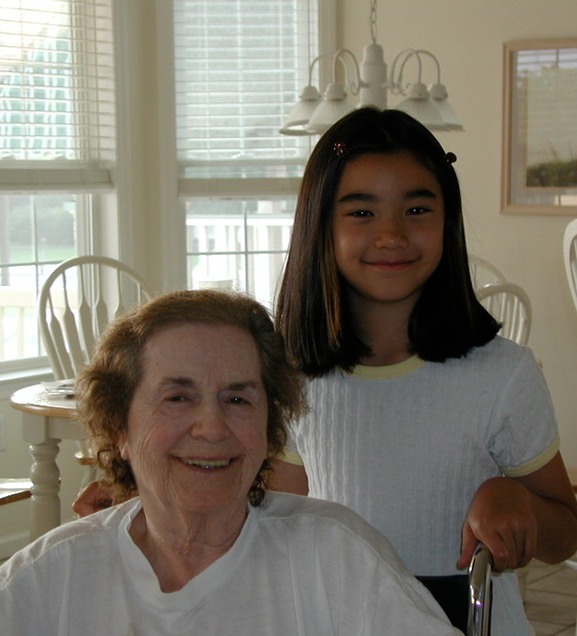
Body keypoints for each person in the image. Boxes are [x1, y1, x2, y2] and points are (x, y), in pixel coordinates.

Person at [270, 107, 577, 635]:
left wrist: (516, 499)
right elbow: (271, 520)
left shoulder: (502, 374)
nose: (391, 235)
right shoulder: (293, 378)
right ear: (320, 225)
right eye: (361, 213)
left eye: (416, 208)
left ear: (448, 221)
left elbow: (565, 533)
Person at [0, 289, 462, 636]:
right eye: (178, 397)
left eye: (238, 398)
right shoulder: (51, 578)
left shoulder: (336, 556)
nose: (212, 427)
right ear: (120, 428)